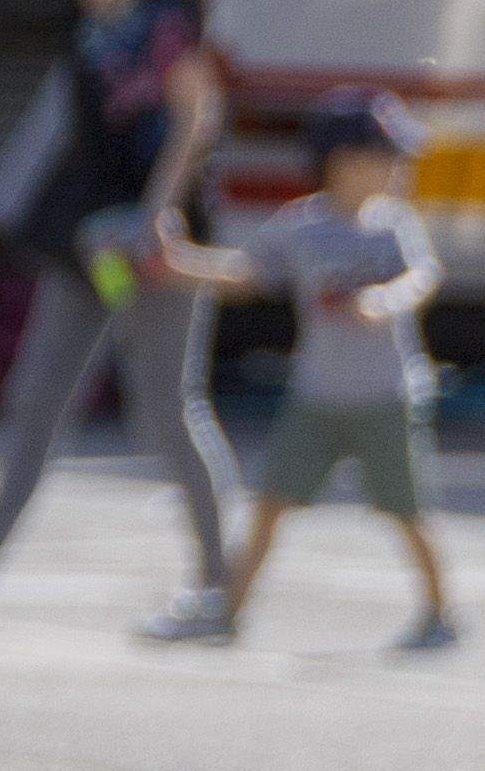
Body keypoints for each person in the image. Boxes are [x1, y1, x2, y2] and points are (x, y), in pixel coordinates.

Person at [0, 0, 240, 641]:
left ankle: (217, 590)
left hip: (153, 243)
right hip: (88, 239)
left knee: (164, 408)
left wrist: (156, 212)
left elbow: (196, 113)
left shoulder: (166, 10)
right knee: (37, 398)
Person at [148, 90, 459, 652]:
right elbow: (246, 274)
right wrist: (180, 264)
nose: (397, 169)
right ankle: (228, 612)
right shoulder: (301, 226)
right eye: (386, 157)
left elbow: (422, 277)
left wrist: (384, 300)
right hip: (316, 396)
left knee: (407, 510)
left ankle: (439, 614)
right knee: (270, 506)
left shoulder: (394, 225)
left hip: (384, 397)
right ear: (343, 162)